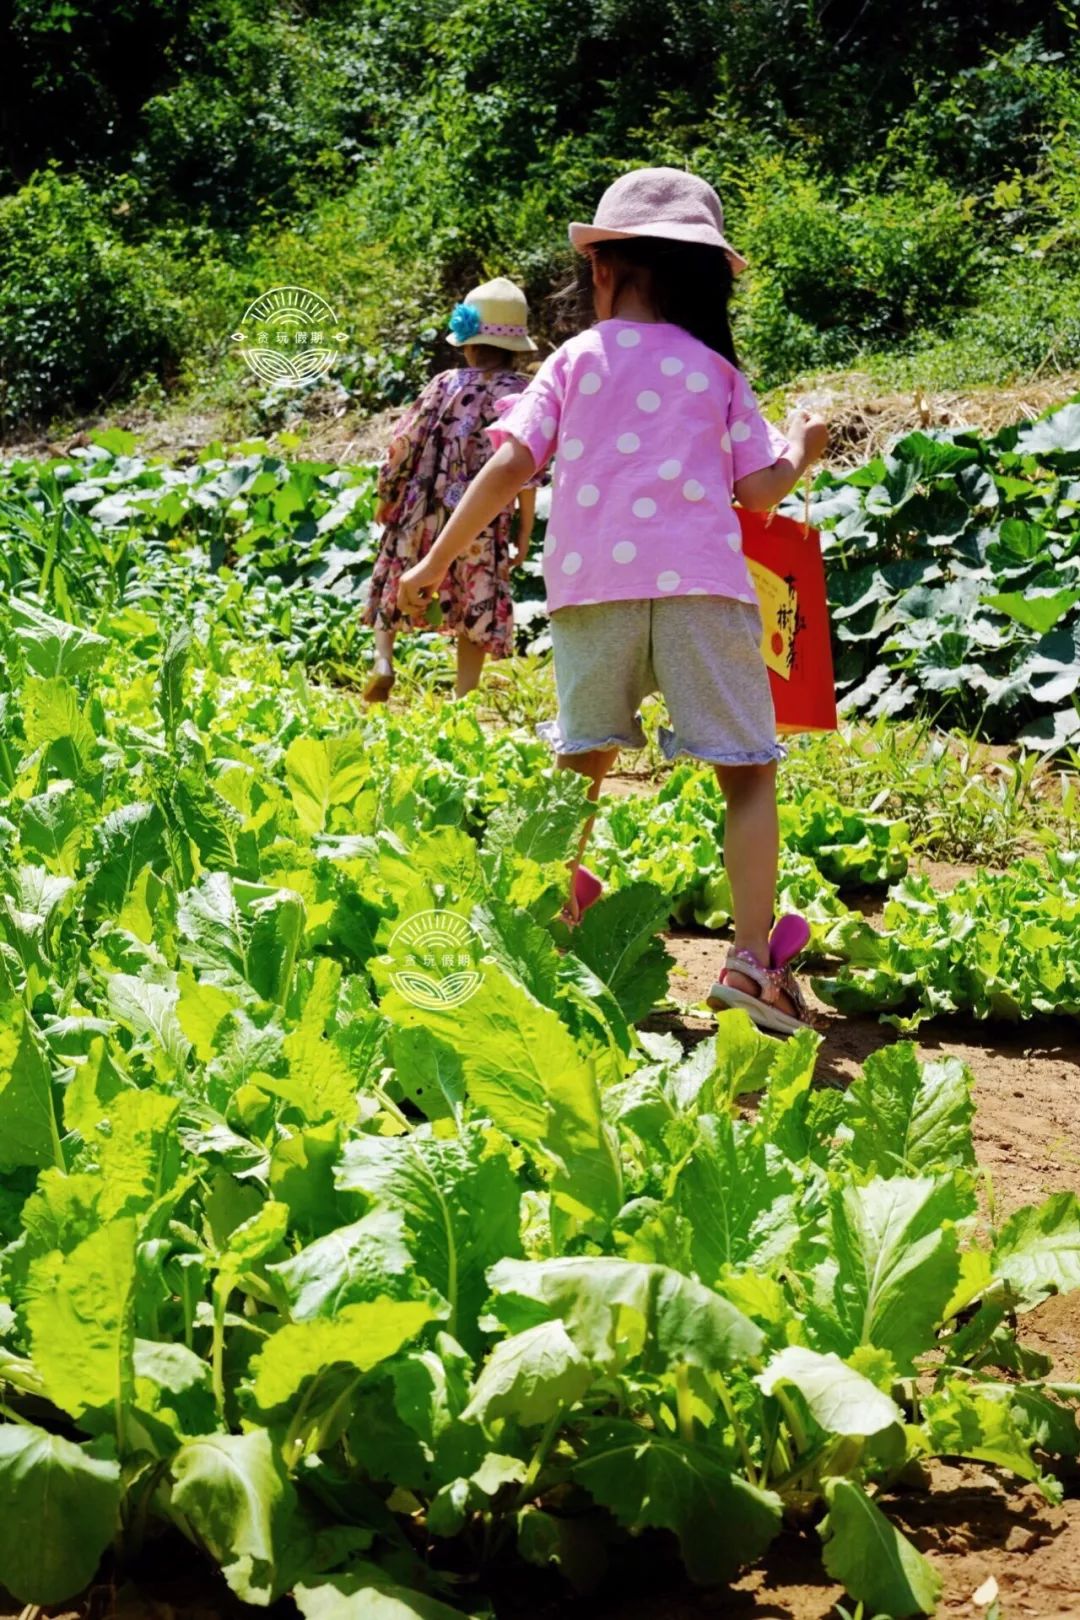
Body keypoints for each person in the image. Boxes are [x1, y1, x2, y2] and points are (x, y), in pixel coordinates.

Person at [398, 168, 828, 1034]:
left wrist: (434, 560)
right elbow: (759, 495)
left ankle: (553, 934)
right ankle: (752, 967)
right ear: (697, 279)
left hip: (591, 594)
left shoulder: (572, 360)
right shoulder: (714, 371)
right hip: (704, 589)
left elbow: (510, 464)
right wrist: (804, 448)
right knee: (747, 775)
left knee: (581, 768)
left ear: (601, 268)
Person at [362, 277, 539, 702]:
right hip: (483, 517)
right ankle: (463, 697)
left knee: (397, 576)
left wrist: (386, 495)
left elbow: (401, 444)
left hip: (421, 506)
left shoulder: (444, 383)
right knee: (475, 598)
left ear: (466, 342)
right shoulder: (520, 392)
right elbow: (527, 466)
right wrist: (524, 529)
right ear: (517, 345)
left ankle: (384, 659)